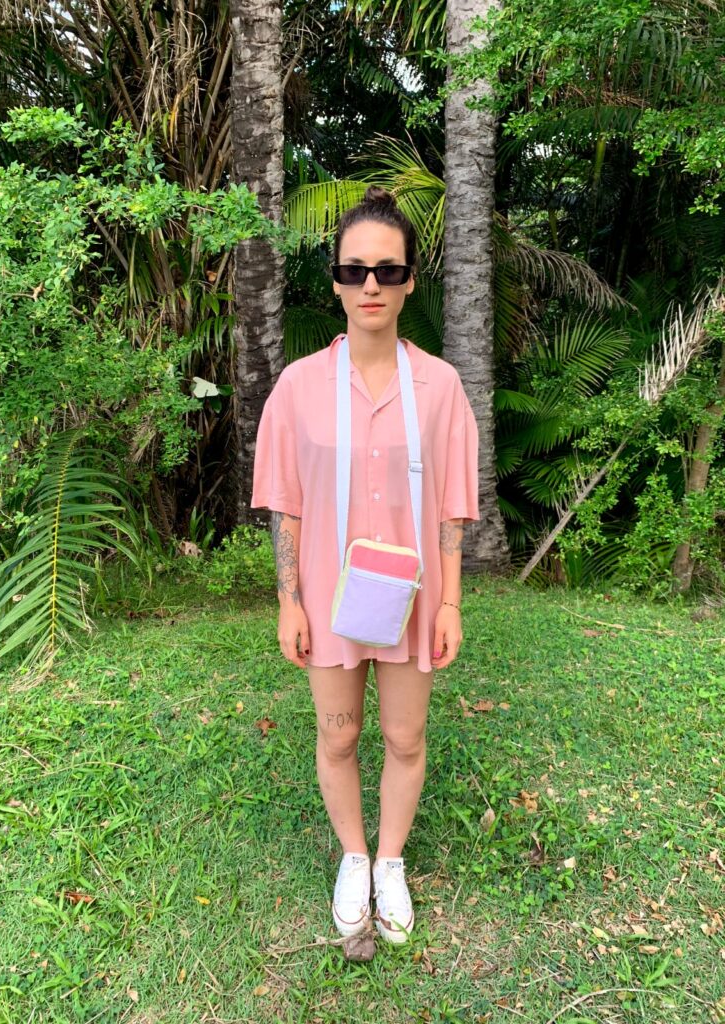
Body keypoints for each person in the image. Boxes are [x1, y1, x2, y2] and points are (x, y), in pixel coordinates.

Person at [251, 186, 479, 944]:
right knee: (340, 736)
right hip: (328, 597)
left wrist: (450, 602)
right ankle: (354, 854)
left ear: (410, 280)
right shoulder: (298, 387)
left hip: (414, 599)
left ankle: (390, 861)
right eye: (355, 271)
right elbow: (287, 504)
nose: (371, 285)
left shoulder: (441, 388)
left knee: (406, 739)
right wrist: (288, 598)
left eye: (388, 270)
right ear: (336, 282)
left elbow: (451, 505)